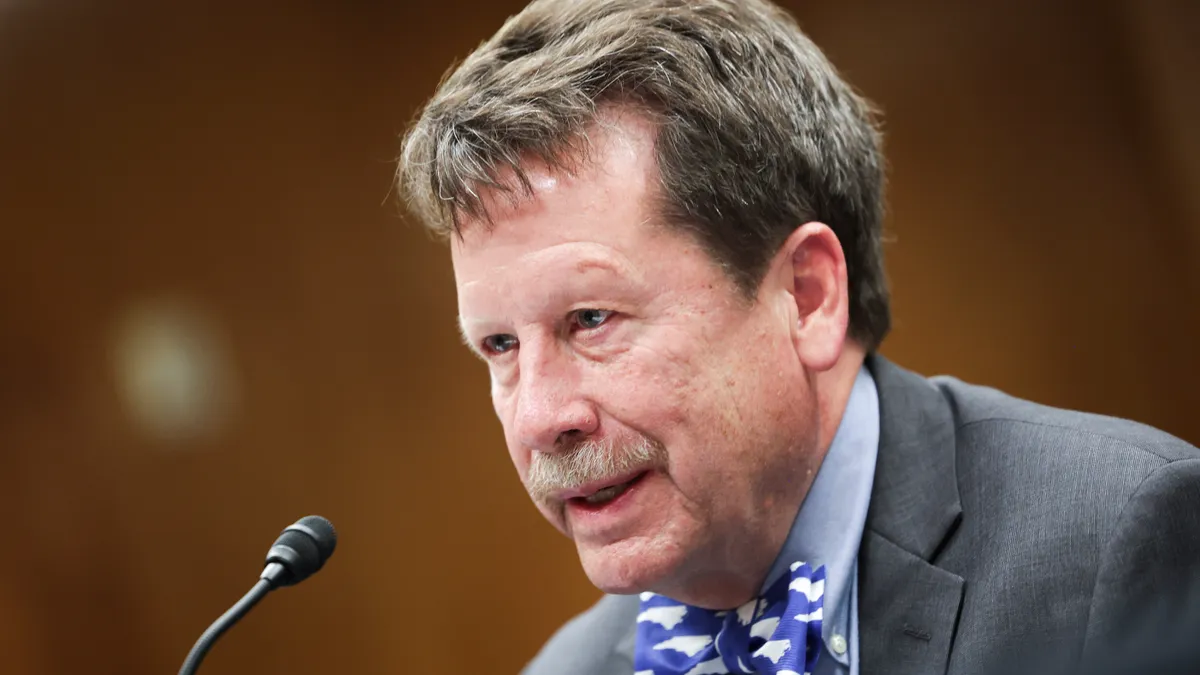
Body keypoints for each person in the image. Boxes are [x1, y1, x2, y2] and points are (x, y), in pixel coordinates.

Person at [395, 1, 1200, 673]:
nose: (539, 419)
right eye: (499, 346)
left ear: (807, 296)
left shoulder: (1114, 542)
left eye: (592, 320)